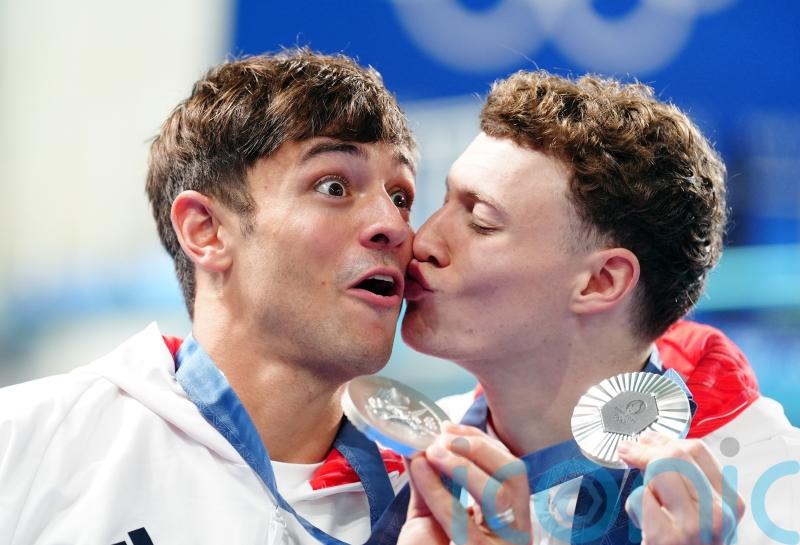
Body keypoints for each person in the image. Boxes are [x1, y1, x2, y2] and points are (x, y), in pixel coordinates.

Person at [0, 48, 438, 545]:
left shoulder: (431, 504)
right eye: (334, 186)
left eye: (400, 197)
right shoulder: (27, 443)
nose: (393, 227)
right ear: (205, 230)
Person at [398, 71, 800, 544]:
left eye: (481, 221)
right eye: (443, 201)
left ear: (601, 282)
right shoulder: (404, 461)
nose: (422, 241)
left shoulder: (772, 489)